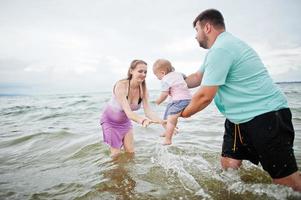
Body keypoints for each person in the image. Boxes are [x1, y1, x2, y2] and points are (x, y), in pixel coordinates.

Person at [181, 9, 301, 191]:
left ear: (207, 28)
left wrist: (180, 113)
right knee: (229, 165)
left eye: (196, 30)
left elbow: (205, 96)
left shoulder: (222, 49)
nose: (195, 36)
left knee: (286, 182)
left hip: (266, 115)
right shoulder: (219, 49)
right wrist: (175, 80)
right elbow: (197, 77)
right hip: (238, 118)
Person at [100, 59, 164, 157]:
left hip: (125, 122)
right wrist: (142, 121)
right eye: (140, 71)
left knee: (130, 153)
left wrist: (163, 123)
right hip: (110, 122)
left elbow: (148, 112)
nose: (143, 74)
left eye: (145, 72)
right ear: (131, 71)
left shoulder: (144, 90)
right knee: (116, 156)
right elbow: (129, 113)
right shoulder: (121, 85)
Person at [153, 59, 191, 145]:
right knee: (166, 118)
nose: (157, 77)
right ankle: (168, 131)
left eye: (156, 75)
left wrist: (158, 101)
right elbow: (185, 76)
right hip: (182, 99)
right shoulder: (178, 74)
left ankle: (168, 139)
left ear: (162, 73)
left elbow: (164, 94)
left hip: (180, 100)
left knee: (171, 119)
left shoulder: (165, 80)